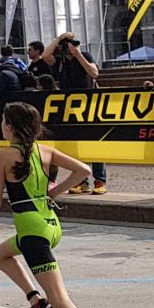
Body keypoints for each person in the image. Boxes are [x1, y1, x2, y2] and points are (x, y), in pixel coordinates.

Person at [0, 102, 124, 308]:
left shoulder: (2, 156)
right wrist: (54, 192)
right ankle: (37, 303)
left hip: (33, 232)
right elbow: (84, 170)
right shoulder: (44, 150)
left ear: (9, 126)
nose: (1, 125)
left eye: (3, 122)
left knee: (61, 300)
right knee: (0, 255)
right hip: (49, 225)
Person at [43, 33, 106, 195]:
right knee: (77, 146)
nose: (70, 48)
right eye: (67, 46)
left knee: (94, 144)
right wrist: (58, 40)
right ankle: (81, 181)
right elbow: (45, 55)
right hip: (70, 109)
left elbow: (94, 73)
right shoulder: (60, 61)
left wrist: (78, 54)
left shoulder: (84, 55)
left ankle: (99, 180)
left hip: (89, 106)